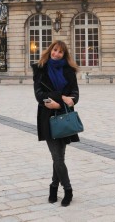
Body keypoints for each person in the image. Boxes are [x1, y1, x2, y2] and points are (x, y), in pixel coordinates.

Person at [32, 40, 79, 207]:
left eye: (60, 52)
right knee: (57, 157)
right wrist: (61, 99)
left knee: (60, 157)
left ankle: (53, 187)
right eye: (54, 50)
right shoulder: (40, 69)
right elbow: (39, 94)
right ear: (50, 50)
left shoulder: (69, 71)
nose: (56, 54)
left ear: (64, 54)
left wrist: (63, 102)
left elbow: (75, 95)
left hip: (64, 116)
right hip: (47, 117)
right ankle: (68, 190)